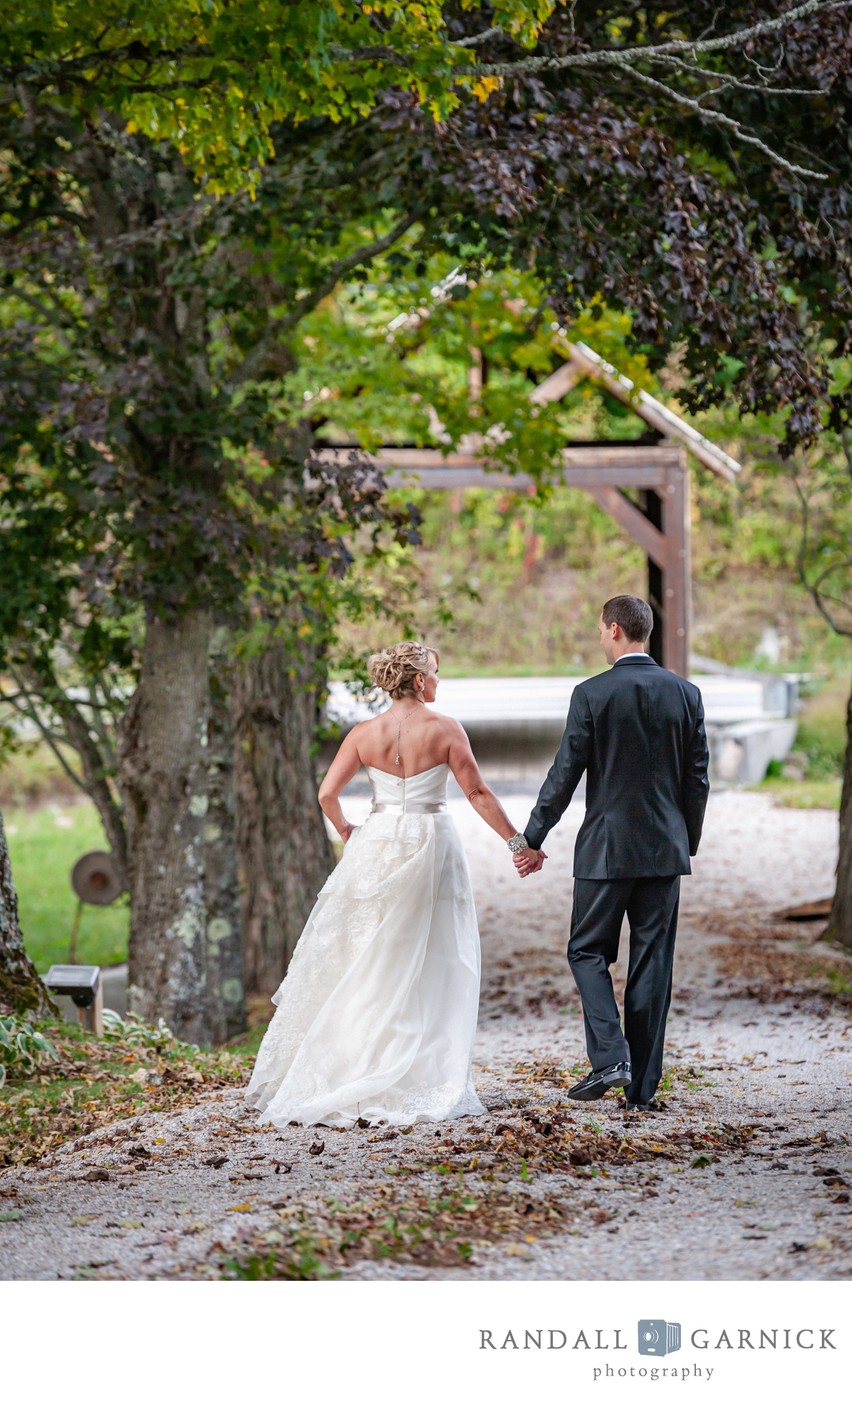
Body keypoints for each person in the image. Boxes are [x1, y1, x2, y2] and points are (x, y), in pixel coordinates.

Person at [246, 640, 530, 1129]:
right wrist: (517, 843)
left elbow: (326, 793)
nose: (439, 682)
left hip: (376, 843)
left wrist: (347, 830)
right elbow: (478, 791)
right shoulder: (444, 729)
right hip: (430, 840)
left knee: (372, 955)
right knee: (438, 952)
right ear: (419, 680)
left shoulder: (364, 733)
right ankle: (422, 1069)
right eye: (436, 674)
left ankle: (358, 1064)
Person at [513, 596, 710, 1112]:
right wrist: (684, 839)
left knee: (586, 951)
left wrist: (531, 839)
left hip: (605, 851)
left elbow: (564, 774)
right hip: (664, 853)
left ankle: (609, 1058)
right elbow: (698, 779)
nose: (601, 638)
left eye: (601, 630)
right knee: (653, 965)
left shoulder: (592, 694)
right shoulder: (686, 694)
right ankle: (641, 1090)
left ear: (616, 629)